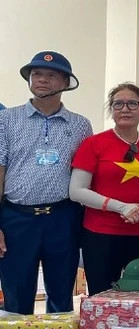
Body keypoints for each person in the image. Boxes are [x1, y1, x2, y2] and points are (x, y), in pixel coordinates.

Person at [0, 51, 92, 314]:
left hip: (63, 217)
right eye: (36, 74)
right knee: (16, 295)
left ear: (65, 83)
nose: (42, 80)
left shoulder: (80, 125)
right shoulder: (6, 120)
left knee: (62, 294)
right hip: (16, 218)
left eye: (51, 75)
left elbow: (86, 175)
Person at [69, 83, 139, 295]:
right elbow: (76, 191)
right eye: (118, 104)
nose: (125, 109)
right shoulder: (93, 144)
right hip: (100, 233)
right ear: (111, 109)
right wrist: (121, 207)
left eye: (132, 103)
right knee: (102, 295)